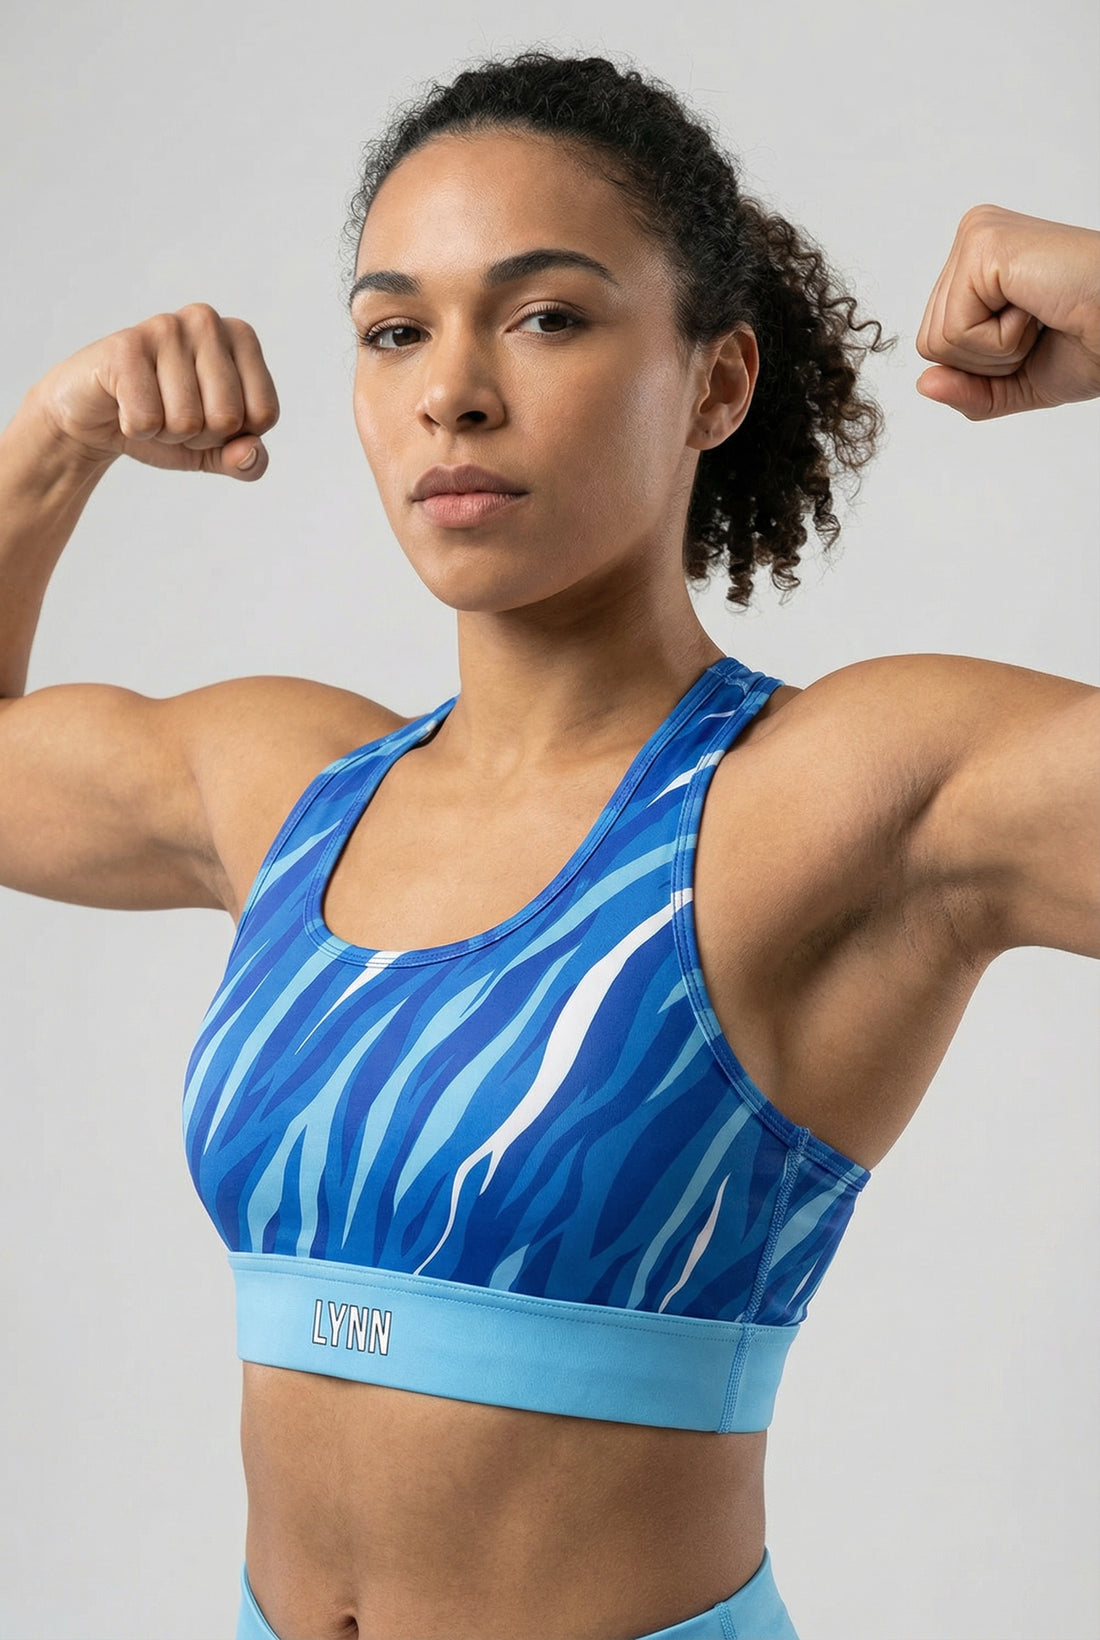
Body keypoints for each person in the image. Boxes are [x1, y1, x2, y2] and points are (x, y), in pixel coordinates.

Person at [1, 46, 1096, 1640]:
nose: (451, 386)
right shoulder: (290, 787)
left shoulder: (835, 796)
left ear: (718, 383)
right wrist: (52, 437)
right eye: (395, 330)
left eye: (546, 315)